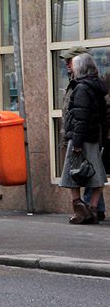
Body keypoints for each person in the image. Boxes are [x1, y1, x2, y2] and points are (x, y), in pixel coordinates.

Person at [59, 53, 108, 224]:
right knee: (97, 177)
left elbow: (80, 117)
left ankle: (79, 210)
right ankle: (92, 210)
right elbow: (104, 116)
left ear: (80, 68)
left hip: (81, 138)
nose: (71, 68)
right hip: (95, 138)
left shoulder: (81, 88)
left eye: (73, 65)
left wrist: (77, 143)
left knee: (72, 175)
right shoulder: (98, 87)